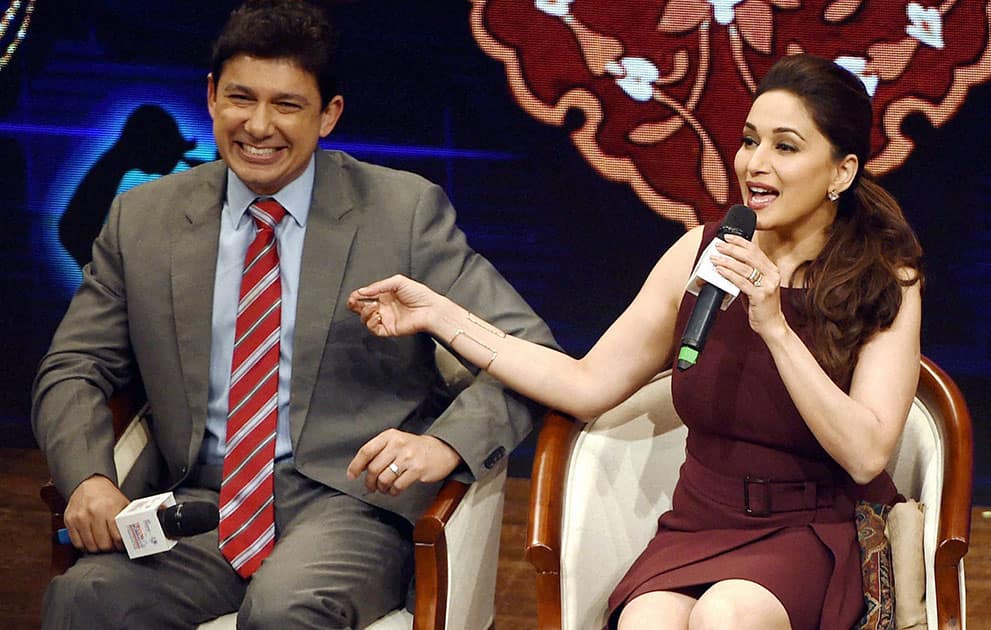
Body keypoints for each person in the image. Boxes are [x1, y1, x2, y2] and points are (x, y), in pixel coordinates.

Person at [348, 53, 924, 629]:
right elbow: (586, 382)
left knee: (726, 616)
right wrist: (441, 315)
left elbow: (866, 451)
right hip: (702, 524)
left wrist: (774, 326)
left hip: (814, 531)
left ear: (842, 172)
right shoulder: (701, 254)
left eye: (786, 147)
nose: (756, 164)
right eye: (750, 141)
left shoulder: (885, 278)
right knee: (644, 621)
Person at [32, 1, 555, 628]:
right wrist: (88, 478)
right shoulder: (143, 219)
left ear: (328, 114)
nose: (257, 126)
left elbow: (528, 350)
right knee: (81, 598)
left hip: (349, 504)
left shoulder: (402, 212)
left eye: (286, 105)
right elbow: (74, 365)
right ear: (210, 97)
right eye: (240, 99)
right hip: (200, 505)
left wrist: (444, 444)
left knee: (283, 612)